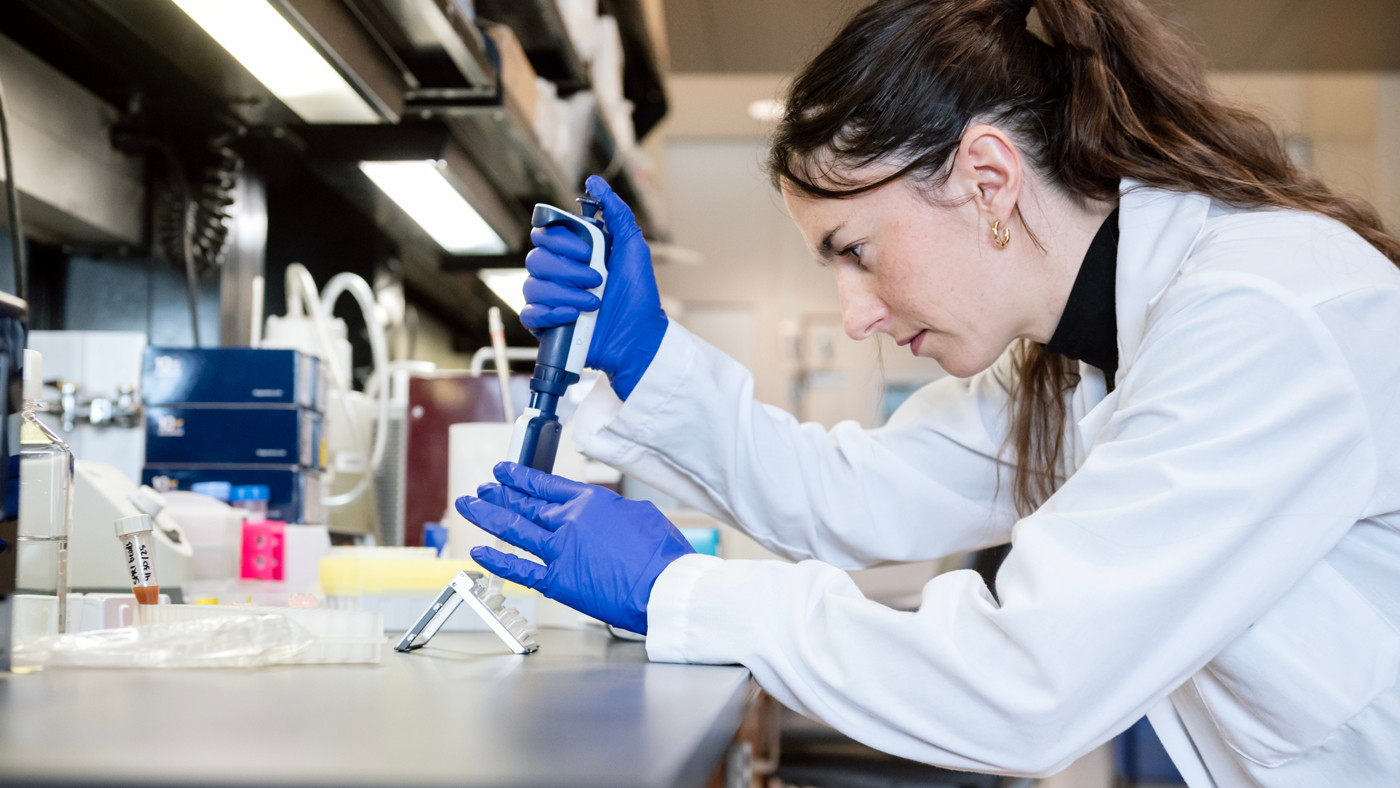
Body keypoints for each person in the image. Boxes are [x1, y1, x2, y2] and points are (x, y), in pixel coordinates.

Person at [456, 0, 1400, 784]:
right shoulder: (1077, 352)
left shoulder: (1262, 317)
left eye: (857, 252)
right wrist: (645, 354)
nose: (856, 317)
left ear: (988, 179)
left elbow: (1026, 682)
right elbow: (851, 495)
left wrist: (682, 590)